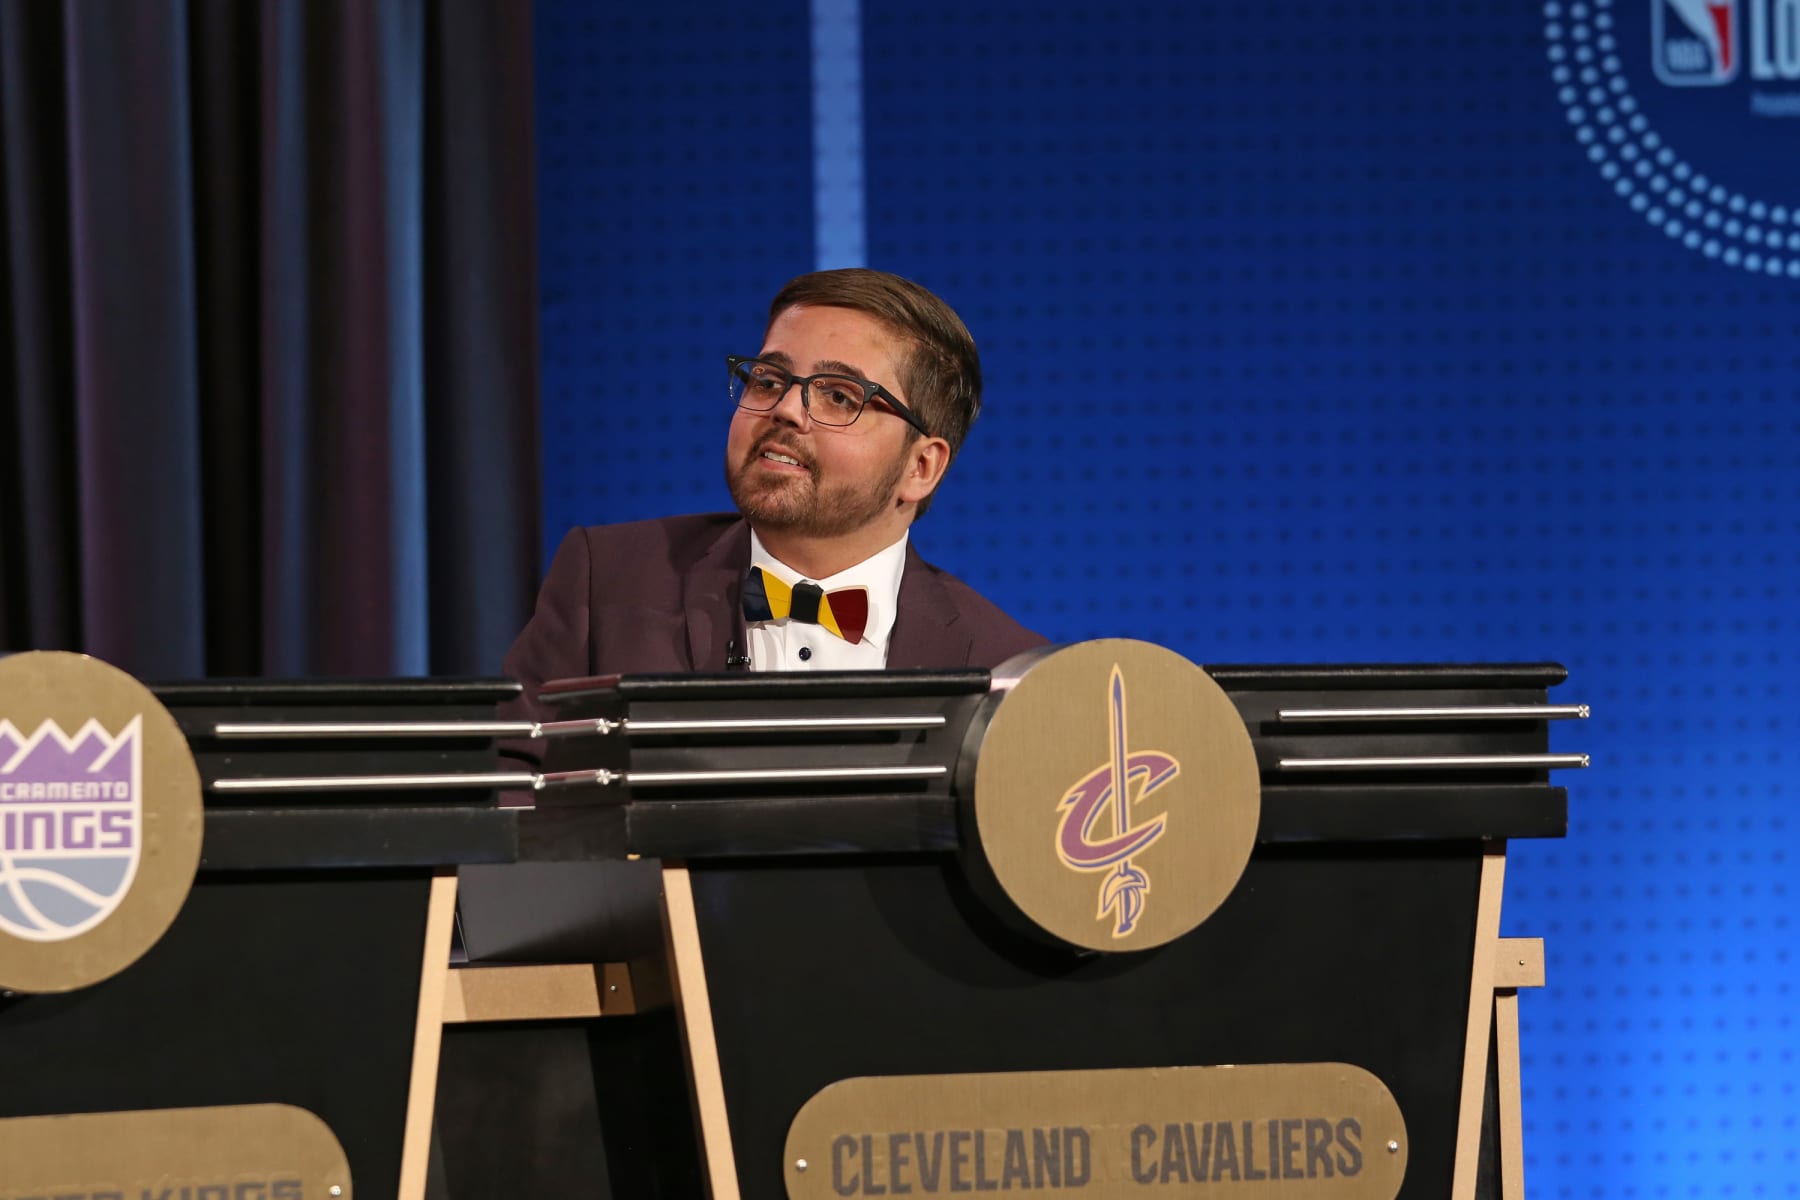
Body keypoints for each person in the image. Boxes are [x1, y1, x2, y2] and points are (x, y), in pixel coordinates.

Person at [500, 268, 1045, 733]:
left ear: (920, 467)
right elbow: (513, 789)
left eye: (839, 396)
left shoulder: (1004, 673)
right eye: (767, 380)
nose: (784, 409)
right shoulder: (607, 581)